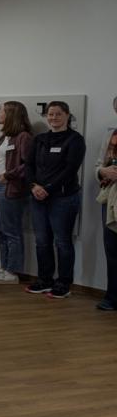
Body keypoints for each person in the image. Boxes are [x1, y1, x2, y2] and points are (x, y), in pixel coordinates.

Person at [26, 102, 87, 299]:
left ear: (67, 115)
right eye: (50, 114)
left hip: (63, 198)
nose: (53, 118)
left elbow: (70, 169)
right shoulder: (40, 139)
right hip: (38, 197)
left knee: (62, 242)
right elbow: (29, 165)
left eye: (58, 114)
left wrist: (48, 188)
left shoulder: (75, 140)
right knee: (42, 241)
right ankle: (45, 280)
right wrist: (33, 186)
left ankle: (63, 283)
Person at [0, 101, 33, 285]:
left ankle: (13, 271)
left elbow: (28, 165)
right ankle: (4, 268)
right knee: (0, 230)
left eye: (1, 111)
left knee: (11, 230)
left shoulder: (23, 137)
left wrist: (9, 175)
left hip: (9, 186)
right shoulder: (6, 136)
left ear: (11, 114)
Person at [96, 127, 117, 311]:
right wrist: (103, 171)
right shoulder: (111, 134)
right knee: (112, 249)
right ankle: (112, 297)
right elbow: (99, 165)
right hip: (110, 198)